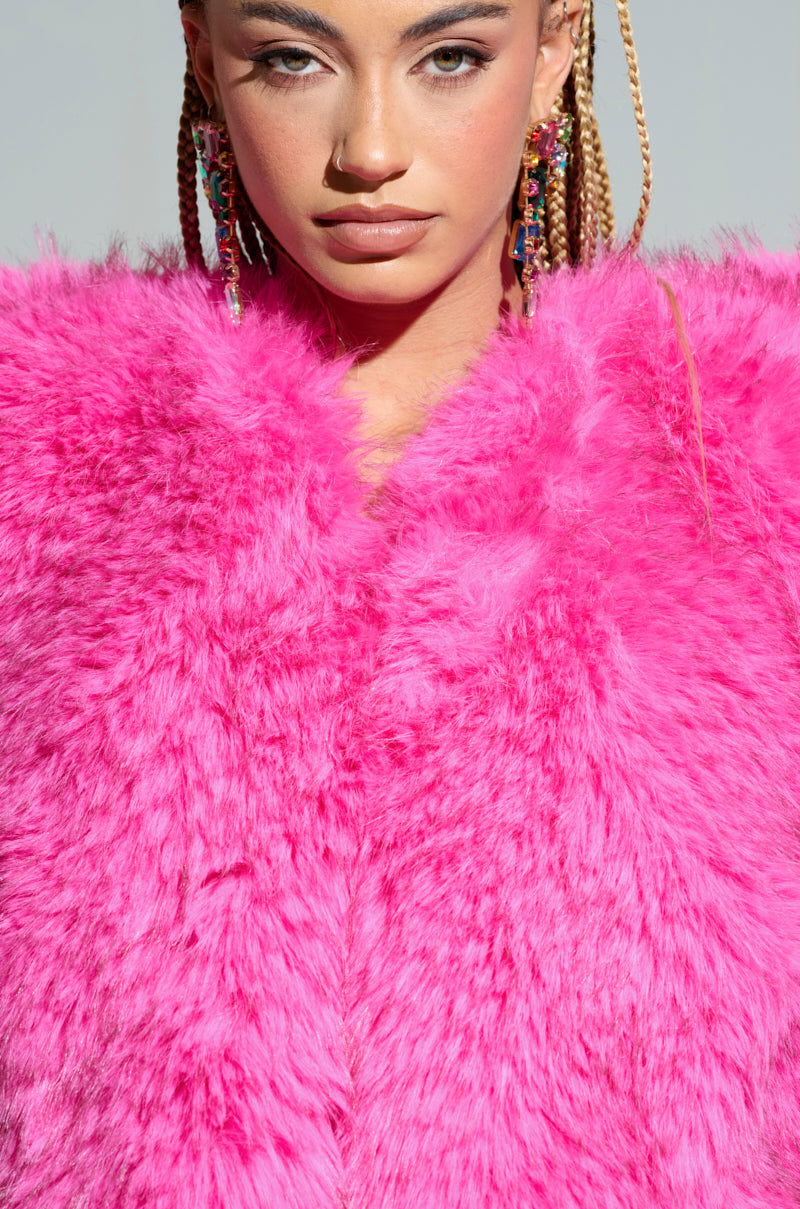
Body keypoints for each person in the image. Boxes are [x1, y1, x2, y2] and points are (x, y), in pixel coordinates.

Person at [1, 1, 799, 1206]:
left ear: (556, 50)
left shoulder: (745, 455)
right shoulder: (38, 460)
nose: (367, 150)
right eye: (291, 58)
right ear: (200, 56)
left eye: (448, 57)